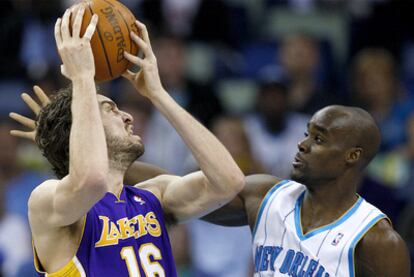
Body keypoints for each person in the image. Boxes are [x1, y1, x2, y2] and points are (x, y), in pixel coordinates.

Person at [10, 7, 244, 276]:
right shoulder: (46, 200)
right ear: (85, 126)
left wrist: (158, 95)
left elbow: (230, 181)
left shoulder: (154, 195)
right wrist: (83, 78)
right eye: (110, 108)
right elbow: (91, 180)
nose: (128, 115)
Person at [202, 105, 410, 276]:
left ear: (352, 156)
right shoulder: (264, 195)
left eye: (318, 139)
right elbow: (176, 196)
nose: (302, 144)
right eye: (306, 134)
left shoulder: (377, 241)